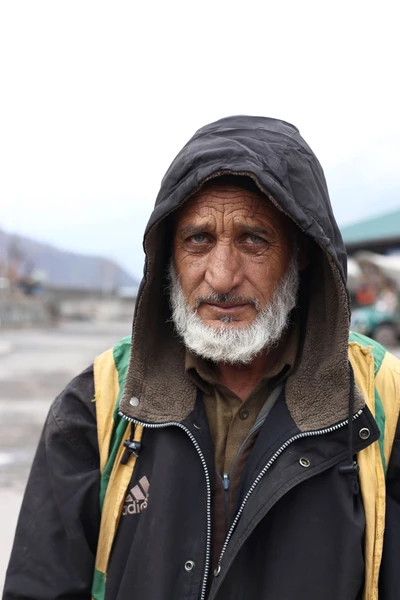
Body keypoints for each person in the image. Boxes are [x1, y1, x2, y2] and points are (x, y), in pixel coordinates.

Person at [4, 116, 400, 600]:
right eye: (198, 240)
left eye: (254, 239)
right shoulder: (98, 405)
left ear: (301, 252)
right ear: (169, 255)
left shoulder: (381, 401)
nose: (221, 276)